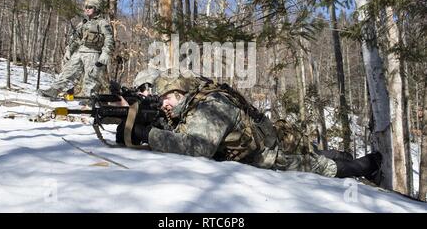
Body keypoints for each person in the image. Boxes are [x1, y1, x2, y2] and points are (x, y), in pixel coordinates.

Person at [132, 75, 382, 182]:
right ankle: (349, 158)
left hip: (270, 156)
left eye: (166, 98)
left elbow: (198, 148)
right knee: (315, 155)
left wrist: (147, 134)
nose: (163, 104)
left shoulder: (209, 106)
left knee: (321, 166)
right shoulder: (192, 106)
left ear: (179, 94)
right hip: (270, 143)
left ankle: (370, 163)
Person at [39, 2, 115, 98]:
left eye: (90, 7)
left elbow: (109, 38)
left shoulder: (102, 23)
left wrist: (106, 53)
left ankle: (89, 99)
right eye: (86, 7)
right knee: (68, 71)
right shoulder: (83, 23)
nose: (87, 9)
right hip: (79, 51)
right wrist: (69, 50)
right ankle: (54, 90)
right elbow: (75, 38)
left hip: (93, 53)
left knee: (91, 77)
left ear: (96, 9)